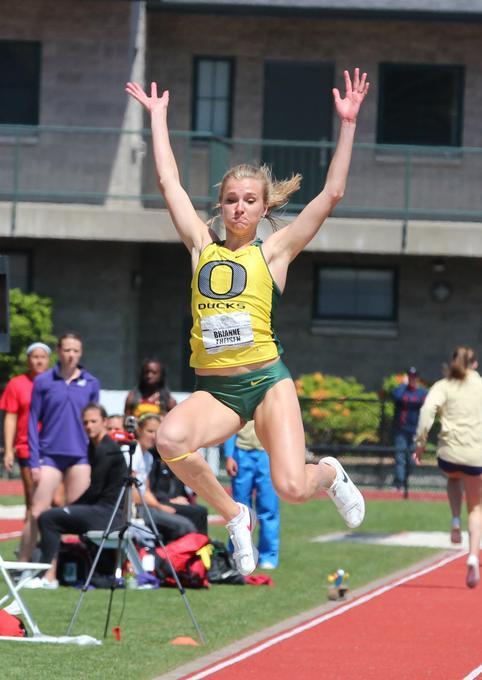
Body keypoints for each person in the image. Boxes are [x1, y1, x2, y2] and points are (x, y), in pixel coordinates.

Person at [125, 67, 368, 576]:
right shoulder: (200, 247)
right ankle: (234, 514)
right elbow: (168, 181)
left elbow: (331, 196)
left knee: (292, 488)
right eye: (231, 199)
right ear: (220, 206)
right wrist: (158, 118)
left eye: (250, 200)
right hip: (216, 389)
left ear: (263, 208)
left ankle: (328, 473)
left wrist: (347, 124)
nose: (239, 208)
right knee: (169, 440)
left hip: (266, 380)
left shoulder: (274, 253)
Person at [25, 404, 127, 589]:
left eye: (93, 421)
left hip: (109, 514)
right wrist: (71, 509)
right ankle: (47, 575)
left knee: (49, 517)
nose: (89, 426)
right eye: (85, 422)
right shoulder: (93, 446)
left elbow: (95, 490)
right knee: (53, 517)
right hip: (100, 510)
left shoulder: (107, 449)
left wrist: (71, 508)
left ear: (104, 422)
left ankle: (46, 577)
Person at [19, 332, 100, 561]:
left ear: (81, 353)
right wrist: (34, 461)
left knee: (78, 515)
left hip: (80, 457)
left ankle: (80, 567)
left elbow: (95, 424)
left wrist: (96, 459)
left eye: (75, 350)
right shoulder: (43, 381)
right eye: (67, 350)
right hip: (50, 456)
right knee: (37, 512)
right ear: (58, 351)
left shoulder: (91, 382)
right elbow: (33, 423)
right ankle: (22, 565)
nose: (71, 355)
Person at [414, 346, 482, 589]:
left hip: (449, 454)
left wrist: (420, 444)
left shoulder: (443, 385)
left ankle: (454, 519)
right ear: (474, 365)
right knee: (476, 508)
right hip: (476, 456)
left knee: (454, 479)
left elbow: (426, 412)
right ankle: (473, 556)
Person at [0, 342, 51, 558]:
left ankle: (49, 549)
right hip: (27, 448)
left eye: (42, 357)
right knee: (33, 501)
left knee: (56, 501)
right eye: (34, 356)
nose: (38, 360)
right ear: (28, 359)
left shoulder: (55, 382)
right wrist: (9, 450)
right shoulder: (17, 384)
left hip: (53, 448)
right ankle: (28, 553)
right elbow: (10, 416)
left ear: (49, 360)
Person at [131, 414, 198, 542]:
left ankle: (205, 554)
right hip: (137, 508)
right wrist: (160, 506)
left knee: (197, 512)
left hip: (148, 505)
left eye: (157, 432)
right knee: (186, 526)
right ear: (138, 430)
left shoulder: (148, 457)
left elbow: (147, 490)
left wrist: (160, 505)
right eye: (150, 431)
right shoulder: (133, 453)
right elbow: (133, 494)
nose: (153, 436)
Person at [224, 421, 280, 569]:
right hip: (241, 452)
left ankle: (268, 556)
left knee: (269, 507)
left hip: (267, 453)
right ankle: (238, 553)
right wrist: (229, 455)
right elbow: (231, 425)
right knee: (238, 510)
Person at [391, 367, 428, 491]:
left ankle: (405, 481)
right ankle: (399, 484)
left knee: (412, 459)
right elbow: (397, 396)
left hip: (415, 431)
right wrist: (404, 384)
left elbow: (423, 403)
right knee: (400, 456)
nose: (413, 378)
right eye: (410, 376)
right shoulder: (401, 390)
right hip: (401, 430)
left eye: (415, 376)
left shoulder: (422, 392)